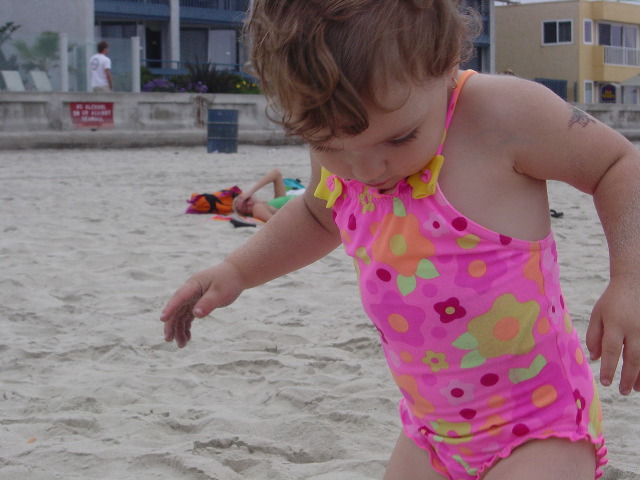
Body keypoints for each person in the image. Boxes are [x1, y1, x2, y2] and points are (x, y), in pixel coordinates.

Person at [161, 1, 640, 479]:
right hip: (431, 431)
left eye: (400, 138)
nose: (366, 171)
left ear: (445, 62)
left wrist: (629, 281)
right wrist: (237, 270)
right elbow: (315, 214)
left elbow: (619, 166)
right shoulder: (343, 131)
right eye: (330, 147)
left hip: (538, 424)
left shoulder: (501, 114)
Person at [232, 168, 303, 222]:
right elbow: (276, 224)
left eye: (247, 199)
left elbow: (277, 173)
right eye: (246, 208)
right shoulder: (256, 208)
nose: (249, 203)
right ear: (248, 214)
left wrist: (250, 192)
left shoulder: (275, 202)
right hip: (306, 204)